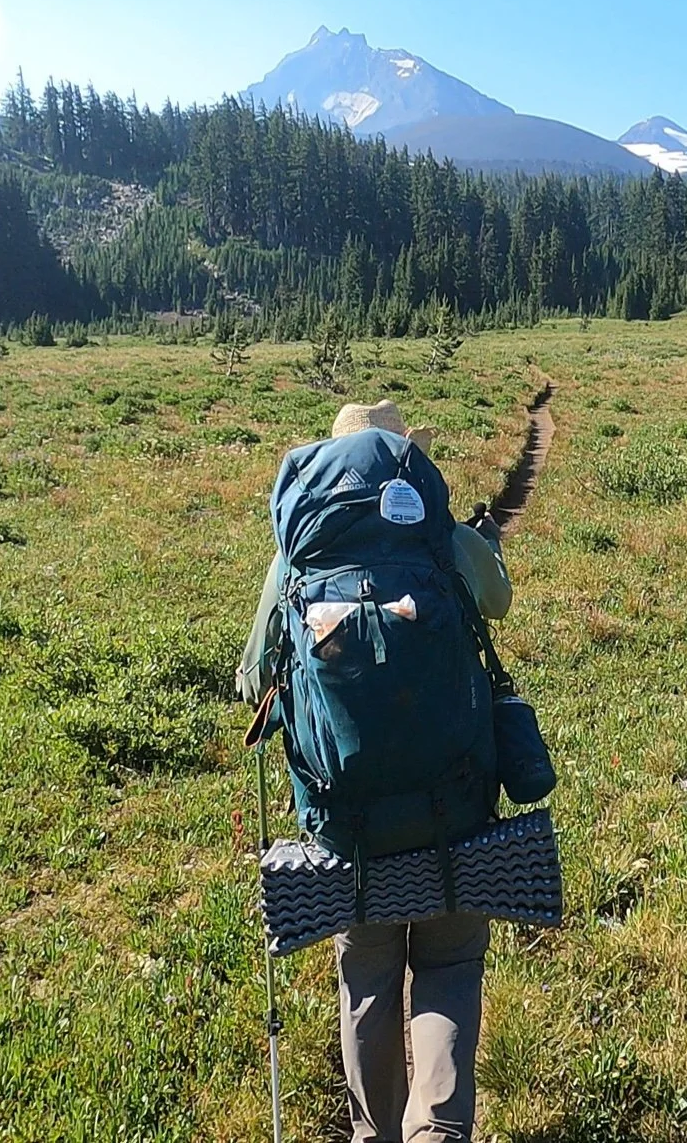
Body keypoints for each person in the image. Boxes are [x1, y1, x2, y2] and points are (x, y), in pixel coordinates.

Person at [236, 399, 511, 1143]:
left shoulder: (297, 557)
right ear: (402, 454)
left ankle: (374, 1135)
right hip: (455, 803)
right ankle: (439, 1131)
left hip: (347, 820)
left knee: (368, 982)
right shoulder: (435, 534)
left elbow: (251, 678)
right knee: (451, 964)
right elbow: (499, 599)